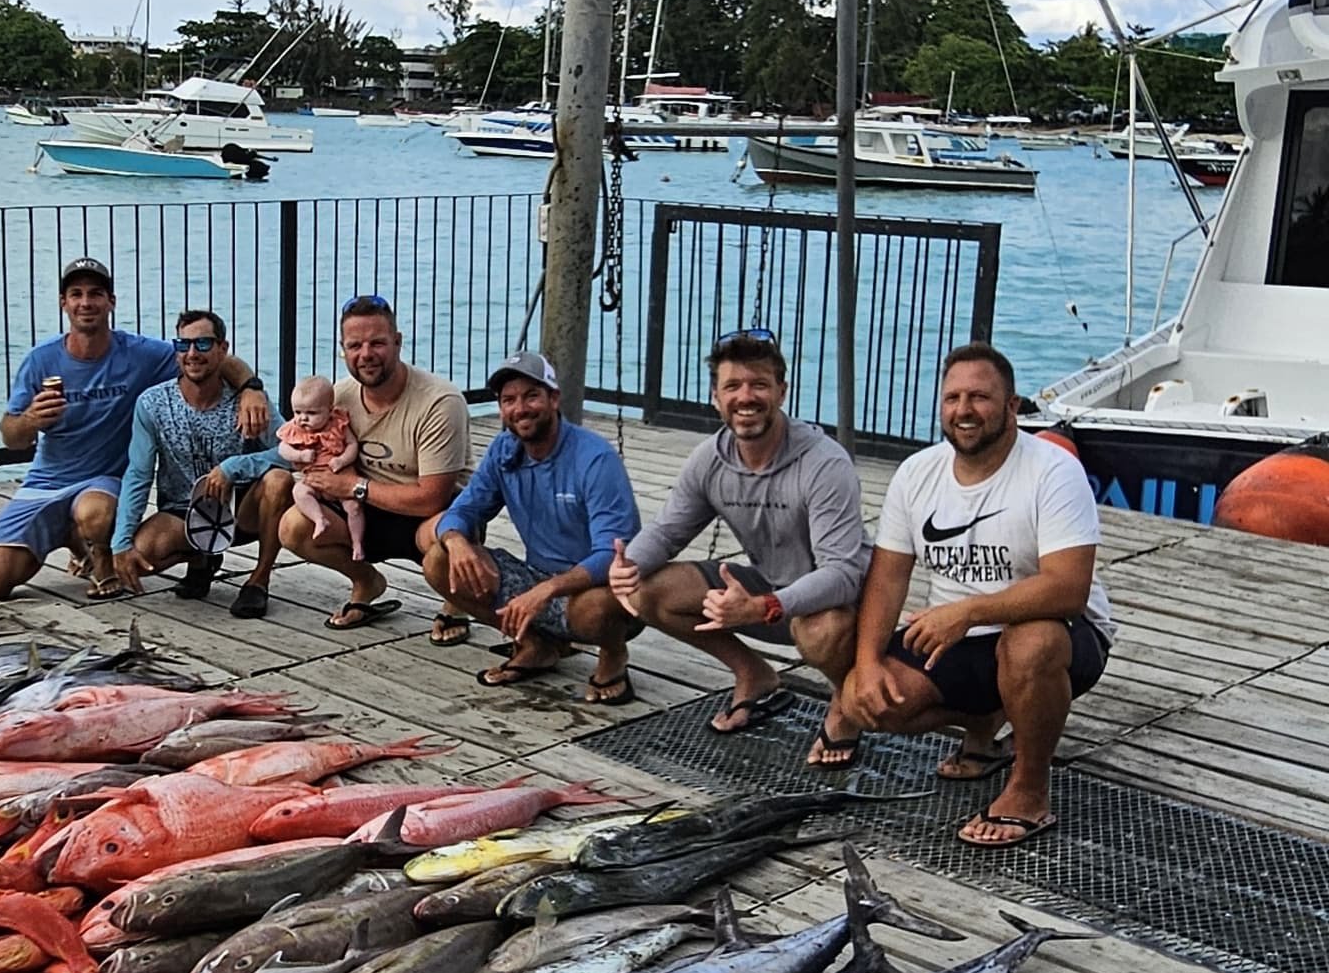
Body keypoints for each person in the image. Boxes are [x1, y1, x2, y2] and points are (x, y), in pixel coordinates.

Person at [823, 339, 1113, 847]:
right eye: (953, 398)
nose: (964, 410)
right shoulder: (917, 473)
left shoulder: (1054, 471)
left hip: (1061, 635)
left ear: (1012, 406)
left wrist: (968, 611)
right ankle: (989, 717)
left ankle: (1029, 788)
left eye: (979, 397)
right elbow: (888, 577)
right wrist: (867, 663)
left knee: (1030, 643)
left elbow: (1068, 589)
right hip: (957, 636)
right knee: (866, 701)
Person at [608, 329, 870, 749]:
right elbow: (669, 530)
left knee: (820, 628)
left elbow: (842, 573)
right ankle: (754, 673)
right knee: (647, 592)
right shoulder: (710, 458)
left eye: (759, 385)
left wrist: (764, 606)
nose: (745, 397)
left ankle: (846, 697)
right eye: (733, 386)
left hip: (840, 605)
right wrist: (628, 564)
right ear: (715, 397)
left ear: (782, 391)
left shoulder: (824, 463)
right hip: (767, 592)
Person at [0, 260, 268, 602]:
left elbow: (206, 354)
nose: (86, 303)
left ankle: (97, 551)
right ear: (63, 303)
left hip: (103, 483)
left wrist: (251, 388)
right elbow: (12, 438)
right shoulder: (40, 360)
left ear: (111, 302)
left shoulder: (140, 354)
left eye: (96, 294)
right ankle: (75, 540)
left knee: (95, 514)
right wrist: (30, 420)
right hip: (45, 483)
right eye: (76, 294)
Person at [231, 293, 468, 629]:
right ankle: (366, 581)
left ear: (398, 342)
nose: (366, 355)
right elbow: (293, 445)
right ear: (343, 350)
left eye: (377, 343)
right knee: (294, 526)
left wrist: (352, 485)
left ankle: (455, 601)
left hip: (427, 512)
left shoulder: (439, 402)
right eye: (355, 345)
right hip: (365, 512)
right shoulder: (336, 398)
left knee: (446, 537)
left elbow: (433, 496)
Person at [424, 352, 639, 697]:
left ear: (554, 399)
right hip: (537, 573)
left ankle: (614, 654)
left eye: (531, 396)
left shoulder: (595, 458)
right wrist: (456, 541)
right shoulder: (504, 449)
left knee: (594, 608)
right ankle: (535, 645)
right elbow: (462, 510)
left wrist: (549, 590)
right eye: (509, 400)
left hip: (600, 587)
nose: (520, 408)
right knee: (439, 558)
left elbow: (613, 555)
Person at [111, 308, 283, 603]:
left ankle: (259, 580)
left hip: (240, 510)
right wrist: (121, 541)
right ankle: (202, 558)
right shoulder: (152, 404)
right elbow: (138, 475)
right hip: (183, 511)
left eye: (203, 344)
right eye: (183, 345)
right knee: (142, 556)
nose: (192, 353)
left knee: (279, 481)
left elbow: (292, 453)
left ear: (222, 349)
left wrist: (235, 467)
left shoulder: (249, 402)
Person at [276, 376, 367, 565]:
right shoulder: (295, 428)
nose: (303, 418)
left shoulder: (338, 425)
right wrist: (299, 456)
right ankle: (319, 519)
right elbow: (283, 449)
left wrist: (342, 460)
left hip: (341, 477)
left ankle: (357, 543)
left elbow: (352, 445)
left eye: (311, 412)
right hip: (314, 479)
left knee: (354, 508)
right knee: (299, 492)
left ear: (330, 411)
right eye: (297, 412)